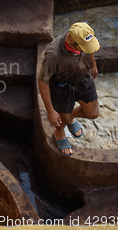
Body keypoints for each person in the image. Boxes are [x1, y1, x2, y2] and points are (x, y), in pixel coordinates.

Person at [38, 22, 100, 155]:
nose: (86, 49)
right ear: (71, 39)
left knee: (93, 113)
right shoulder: (53, 55)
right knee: (60, 118)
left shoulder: (81, 35)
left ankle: (69, 117)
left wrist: (93, 65)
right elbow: (43, 81)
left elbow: (89, 50)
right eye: (83, 47)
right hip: (61, 84)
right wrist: (50, 110)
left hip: (82, 76)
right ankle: (59, 132)